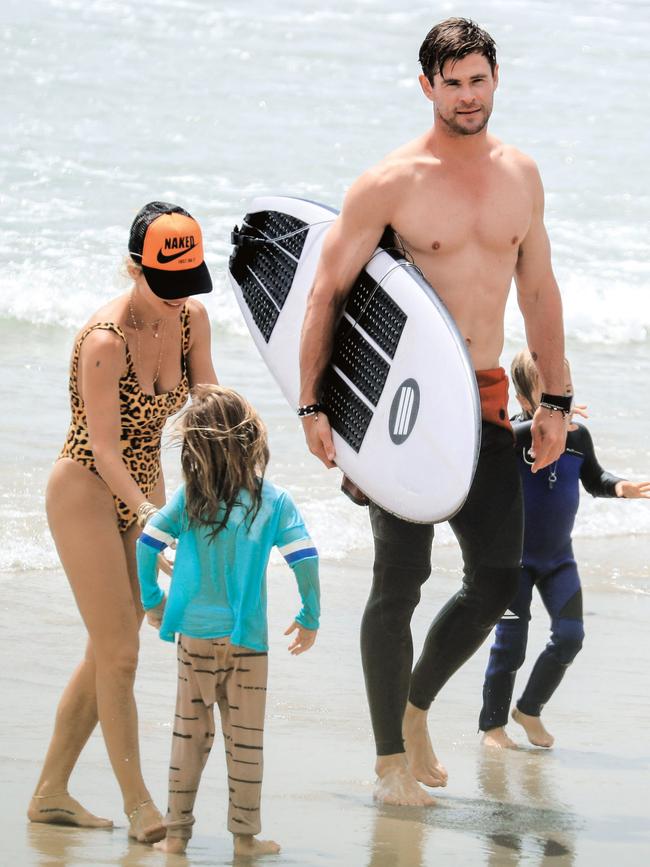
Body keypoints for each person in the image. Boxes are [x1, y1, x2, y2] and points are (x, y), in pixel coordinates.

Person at [298, 17, 570, 806]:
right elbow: (326, 290)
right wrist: (316, 402)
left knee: (495, 578)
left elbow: (540, 290)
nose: (466, 96)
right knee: (400, 579)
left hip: (484, 399)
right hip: (404, 412)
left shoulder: (521, 174)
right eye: (450, 83)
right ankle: (389, 764)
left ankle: (414, 710)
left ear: (495, 79)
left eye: (477, 79)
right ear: (427, 87)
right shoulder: (390, 183)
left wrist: (553, 397)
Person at [28, 202, 218, 842]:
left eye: (187, 280)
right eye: (163, 283)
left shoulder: (192, 320)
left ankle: (50, 791)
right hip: (85, 487)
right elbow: (105, 448)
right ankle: (140, 805)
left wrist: (227, 484)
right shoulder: (104, 342)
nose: (177, 297)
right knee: (122, 652)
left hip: (146, 492)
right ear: (135, 267)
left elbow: (207, 406)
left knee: (108, 652)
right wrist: (150, 517)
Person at [136, 384, 320, 858]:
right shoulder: (273, 500)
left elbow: (147, 541)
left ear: (195, 444)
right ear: (249, 438)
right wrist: (309, 614)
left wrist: (153, 598)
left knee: (188, 735)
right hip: (248, 642)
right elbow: (305, 557)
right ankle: (244, 839)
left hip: (195, 635)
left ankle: (176, 836)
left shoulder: (190, 498)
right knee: (245, 743)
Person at [480, 351, 650, 749]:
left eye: (567, 390)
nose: (563, 400)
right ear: (524, 403)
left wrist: (620, 487)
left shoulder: (578, 438)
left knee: (571, 636)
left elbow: (594, 477)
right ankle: (492, 727)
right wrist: (539, 425)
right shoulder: (516, 439)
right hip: (514, 563)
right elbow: (488, 447)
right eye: (550, 395)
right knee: (511, 646)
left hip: (558, 559)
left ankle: (530, 710)